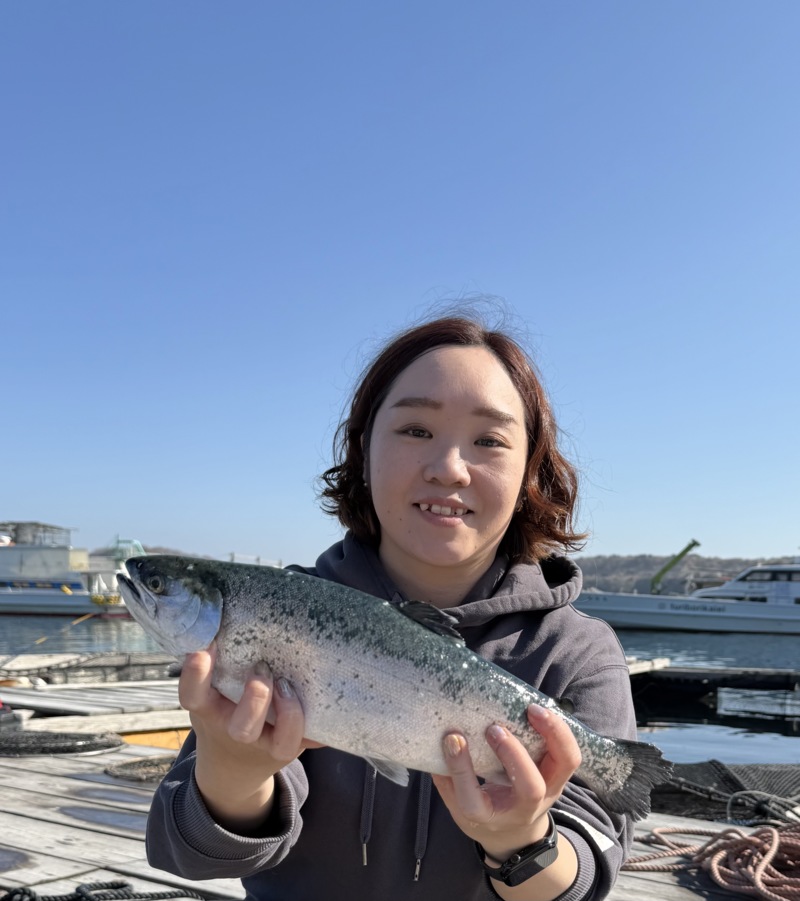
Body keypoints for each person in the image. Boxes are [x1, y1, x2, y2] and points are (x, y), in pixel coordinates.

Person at [146, 313, 638, 901]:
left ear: (531, 471)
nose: (449, 468)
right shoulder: (279, 616)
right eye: (414, 430)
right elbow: (186, 853)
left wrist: (521, 840)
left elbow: (584, 877)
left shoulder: (577, 651)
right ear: (363, 447)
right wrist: (234, 771)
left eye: (489, 440)